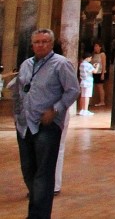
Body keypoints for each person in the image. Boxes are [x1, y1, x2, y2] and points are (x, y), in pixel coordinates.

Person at [9, 29, 79, 219]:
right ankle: (36, 210)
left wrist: (55, 109)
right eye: (37, 42)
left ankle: (38, 216)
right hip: (25, 124)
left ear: (51, 43)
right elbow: (20, 89)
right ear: (32, 45)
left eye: (45, 41)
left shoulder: (61, 64)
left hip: (47, 125)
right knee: (28, 169)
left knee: (43, 173)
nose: (40, 45)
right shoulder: (26, 64)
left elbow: (73, 90)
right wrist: (17, 114)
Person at [90, 42, 107, 107]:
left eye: (97, 46)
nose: (95, 48)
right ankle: (91, 101)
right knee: (93, 87)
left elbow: (103, 64)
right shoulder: (93, 54)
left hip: (99, 72)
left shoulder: (102, 54)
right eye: (95, 46)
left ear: (100, 47)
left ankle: (102, 101)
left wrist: (102, 74)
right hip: (94, 72)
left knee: (100, 87)